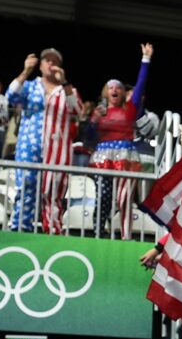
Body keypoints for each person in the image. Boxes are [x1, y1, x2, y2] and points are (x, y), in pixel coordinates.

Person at [8, 49, 81, 233]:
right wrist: (25, 72)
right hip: (29, 146)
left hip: (57, 150)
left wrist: (65, 83)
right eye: (47, 60)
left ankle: (53, 233)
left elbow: (78, 111)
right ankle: (19, 230)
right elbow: (11, 96)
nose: (51, 64)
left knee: (54, 192)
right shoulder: (30, 86)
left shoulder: (67, 90)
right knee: (25, 187)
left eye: (55, 61)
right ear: (40, 65)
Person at [90, 43, 154, 239]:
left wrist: (146, 60)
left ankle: (125, 236)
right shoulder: (99, 112)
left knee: (124, 198)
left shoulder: (130, 109)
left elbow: (141, 83)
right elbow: (88, 138)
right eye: (111, 87)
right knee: (103, 198)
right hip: (103, 158)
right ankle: (99, 233)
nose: (115, 89)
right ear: (105, 92)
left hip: (125, 156)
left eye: (118, 87)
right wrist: (92, 121)